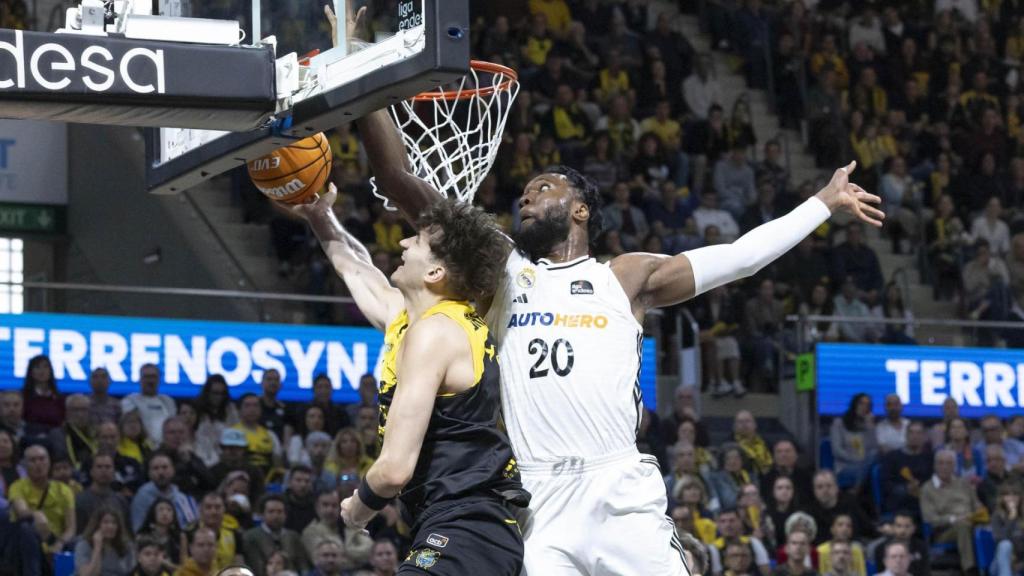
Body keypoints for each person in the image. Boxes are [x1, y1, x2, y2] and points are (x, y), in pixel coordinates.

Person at [356, 86, 881, 576]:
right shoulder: (505, 270)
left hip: (617, 487)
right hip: (537, 498)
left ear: (580, 209)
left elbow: (741, 257)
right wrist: (366, 87)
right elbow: (397, 178)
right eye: (525, 193)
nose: (526, 198)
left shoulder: (625, 278)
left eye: (543, 189)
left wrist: (823, 202)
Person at [920, 449, 981, 575]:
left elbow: (977, 505)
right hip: (945, 530)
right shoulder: (927, 489)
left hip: (973, 522)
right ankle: (970, 569)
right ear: (934, 466)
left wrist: (980, 514)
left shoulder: (964, 483)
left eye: (949, 463)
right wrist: (954, 519)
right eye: (941, 463)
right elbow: (930, 519)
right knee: (963, 525)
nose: (944, 467)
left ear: (954, 466)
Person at [8, 444, 75, 554]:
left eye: (42, 459)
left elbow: (71, 528)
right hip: (29, 543)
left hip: (57, 542)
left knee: (75, 543)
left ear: (49, 462)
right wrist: (35, 514)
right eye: (32, 460)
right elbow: (21, 511)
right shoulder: (17, 486)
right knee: (26, 528)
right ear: (25, 465)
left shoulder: (64, 490)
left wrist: (60, 543)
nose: (38, 463)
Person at [301, 490, 372, 572]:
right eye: (325, 505)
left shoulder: (350, 526)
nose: (330, 510)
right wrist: (357, 559)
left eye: (334, 505)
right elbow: (323, 562)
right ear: (317, 507)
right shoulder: (311, 532)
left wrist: (345, 551)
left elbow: (371, 550)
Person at [130, 451, 198, 533]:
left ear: (173, 470)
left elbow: (192, 526)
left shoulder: (182, 498)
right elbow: (138, 530)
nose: (161, 472)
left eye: (165, 467)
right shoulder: (142, 497)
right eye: (156, 468)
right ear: (149, 473)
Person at [241, 495, 308, 576]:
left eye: (280, 512)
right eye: (271, 511)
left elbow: (303, 566)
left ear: (285, 515)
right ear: (262, 514)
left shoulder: (293, 537)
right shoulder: (250, 537)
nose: (276, 516)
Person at [879, 421, 932, 515]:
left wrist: (920, 489)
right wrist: (906, 489)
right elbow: (886, 484)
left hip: (924, 504)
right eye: (911, 432)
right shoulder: (892, 457)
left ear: (924, 437)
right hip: (898, 505)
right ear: (906, 435)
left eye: (918, 433)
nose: (915, 436)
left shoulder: (930, 458)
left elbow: (933, 481)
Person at [830, 393, 878, 488]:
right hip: (845, 467)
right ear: (854, 404)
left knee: (874, 457)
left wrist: (870, 428)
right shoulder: (839, 423)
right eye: (861, 403)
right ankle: (858, 487)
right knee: (867, 471)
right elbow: (837, 450)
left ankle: (856, 488)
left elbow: (873, 448)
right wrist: (856, 460)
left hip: (864, 465)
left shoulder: (868, 426)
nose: (864, 407)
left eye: (867, 405)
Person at [76, 452, 131, 534]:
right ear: (91, 472)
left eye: (108, 467)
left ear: (114, 472)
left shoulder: (121, 501)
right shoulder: (80, 501)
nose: (104, 470)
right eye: (99, 467)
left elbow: (127, 532)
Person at [159, 418, 215, 498]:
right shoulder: (156, 457)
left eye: (181, 432)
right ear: (164, 436)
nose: (177, 436)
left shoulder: (191, 456)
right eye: (172, 432)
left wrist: (189, 461)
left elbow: (210, 483)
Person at [232, 394, 283, 480]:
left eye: (256, 405)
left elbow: (277, 462)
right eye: (247, 405)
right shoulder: (233, 433)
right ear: (239, 410)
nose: (252, 409)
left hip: (267, 479)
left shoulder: (270, 435)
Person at [121, 364, 176, 444]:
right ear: (140, 379)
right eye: (147, 377)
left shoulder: (168, 401)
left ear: (159, 379)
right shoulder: (130, 401)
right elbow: (133, 424)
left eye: (153, 377)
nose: (150, 380)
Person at [192, 374, 239, 468]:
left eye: (222, 393)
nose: (218, 397)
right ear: (207, 392)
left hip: (224, 459)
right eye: (215, 393)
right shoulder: (196, 410)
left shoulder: (230, 411)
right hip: (199, 455)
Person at [187, 493, 241, 571]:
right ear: (200, 510)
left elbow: (239, 565)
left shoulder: (234, 533)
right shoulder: (190, 533)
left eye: (218, 507)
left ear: (224, 509)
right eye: (208, 507)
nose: (213, 512)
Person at [74, 509, 135, 576]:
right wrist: (97, 548)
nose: (110, 526)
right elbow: (87, 574)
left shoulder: (127, 546)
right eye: (105, 522)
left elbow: (132, 571)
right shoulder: (84, 545)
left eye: (114, 523)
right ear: (97, 525)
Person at [136, 499, 186, 572]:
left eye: (169, 510)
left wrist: (165, 564)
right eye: (160, 509)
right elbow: (137, 565)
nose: (165, 513)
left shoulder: (181, 537)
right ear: (153, 513)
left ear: (174, 515)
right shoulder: (141, 537)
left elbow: (184, 570)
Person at [991, 483, 1024, 576]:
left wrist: (1022, 565)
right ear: (1002, 498)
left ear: (1020, 498)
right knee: (1005, 544)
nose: (1012, 498)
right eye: (1007, 495)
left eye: (1015, 494)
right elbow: (1000, 539)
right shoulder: (997, 516)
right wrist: (1011, 517)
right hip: (999, 565)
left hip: (1018, 565)